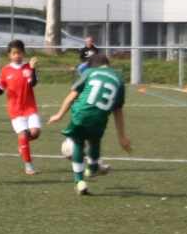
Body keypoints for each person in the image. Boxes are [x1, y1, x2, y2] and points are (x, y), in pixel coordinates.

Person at [47, 53, 132, 196]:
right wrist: (121, 137)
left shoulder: (89, 72)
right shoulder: (119, 80)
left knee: (78, 142)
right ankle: (92, 168)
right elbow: (118, 111)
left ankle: (79, 181)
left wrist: (59, 115)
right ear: (107, 64)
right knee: (94, 143)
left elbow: (71, 97)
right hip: (100, 117)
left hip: (80, 113)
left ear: (93, 66)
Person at [0, 40, 42, 175]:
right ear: (9, 55)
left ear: (23, 53)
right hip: (15, 110)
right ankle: (29, 165)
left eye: (19, 53)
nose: (17, 56)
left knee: (35, 133)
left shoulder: (28, 67)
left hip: (30, 107)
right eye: (14, 53)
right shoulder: (6, 70)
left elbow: (33, 83)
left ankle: (23, 145)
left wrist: (33, 68)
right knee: (23, 133)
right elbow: (0, 91)